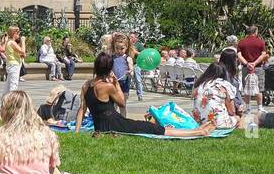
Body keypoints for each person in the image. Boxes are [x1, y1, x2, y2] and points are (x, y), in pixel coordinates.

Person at [76, 52, 213, 137]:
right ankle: (199, 132)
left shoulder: (87, 85)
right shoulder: (107, 86)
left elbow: (81, 110)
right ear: (109, 68)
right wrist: (115, 84)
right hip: (115, 124)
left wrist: (76, 132)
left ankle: (198, 130)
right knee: (154, 129)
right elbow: (122, 103)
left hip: (101, 126)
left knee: (148, 126)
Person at [193, 61, 240, 130]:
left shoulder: (199, 84)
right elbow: (232, 111)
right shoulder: (224, 85)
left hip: (200, 123)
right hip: (218, 123)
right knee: (237, 118)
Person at [236, 24, 269, 107]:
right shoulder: (260, 42)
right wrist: (254, 63)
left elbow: (239, 56)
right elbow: (263, 55)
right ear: (255, 32)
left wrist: (247, 64)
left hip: (246, 68)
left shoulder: (241, 42)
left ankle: (247, 108)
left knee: (246, 88)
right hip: (258, 68)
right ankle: (260, 108)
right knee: (259, 88)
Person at [2, 26, 26, 92]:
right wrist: (23, 41)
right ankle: (12, 101)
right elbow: (23, 51)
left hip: (11, 65)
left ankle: (6, 99)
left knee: (8, 85)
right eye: (18, 33)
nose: (19, 35)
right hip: (14, 65)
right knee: (13, 85)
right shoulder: (12, 42)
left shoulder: (9, 42)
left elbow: (21, 53)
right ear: (15, 33)